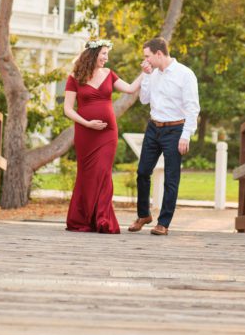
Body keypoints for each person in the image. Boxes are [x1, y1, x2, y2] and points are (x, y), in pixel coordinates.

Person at [62, 39, 143, 233]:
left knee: (103, 173)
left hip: (107, 133)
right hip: (85, 133)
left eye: (107, 54)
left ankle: (102, 219)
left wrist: (145, 72)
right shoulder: (75, 77)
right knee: (87, 174)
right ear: (93, 54)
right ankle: (82, 218)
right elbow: (67, 109)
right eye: (104, 54)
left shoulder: (109, 74)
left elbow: (131, 88)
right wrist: (87, 123)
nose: (106, 58)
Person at [128, 36, 199, 236]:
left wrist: (186, 136)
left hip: (175, 130)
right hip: (153, 127)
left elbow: (192, 107)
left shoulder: (185, 74)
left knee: (171, 177)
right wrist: (147, 75)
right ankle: (143, 215)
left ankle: (163, 223)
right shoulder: (153, 73)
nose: (145, 60)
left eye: (147, 56)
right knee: (142, 172)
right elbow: (144, 100)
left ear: (159, 54)